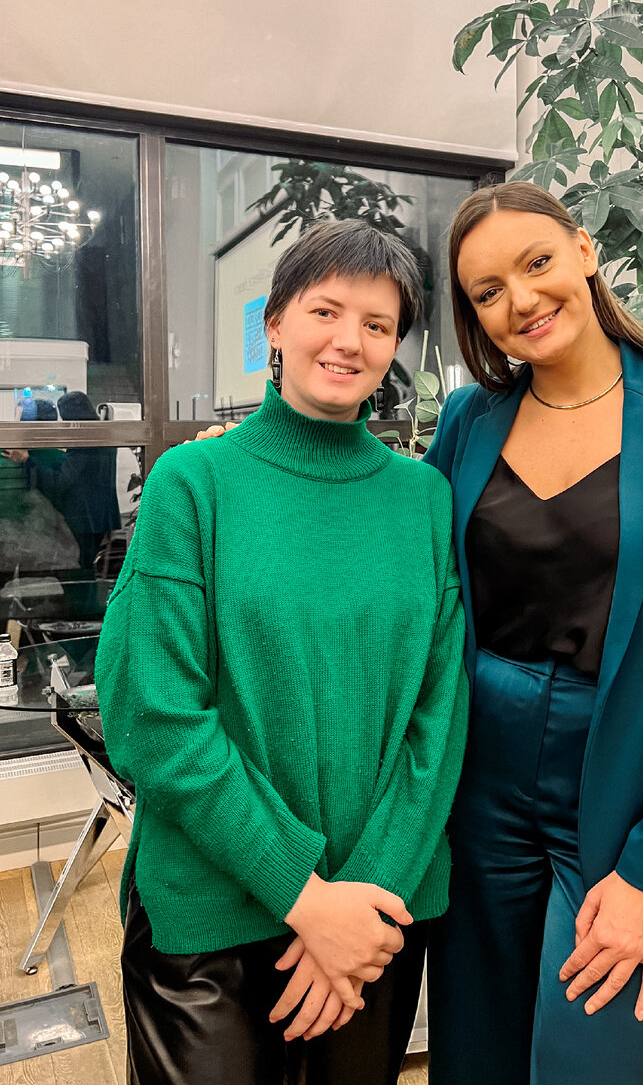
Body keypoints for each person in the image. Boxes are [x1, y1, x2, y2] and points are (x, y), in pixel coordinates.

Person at [94, 219, 469, 1085]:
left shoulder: (423, 498)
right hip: (212, 912)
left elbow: (439, 719)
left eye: (377, 324)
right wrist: (304, 897)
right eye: (324, 311)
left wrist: (359, 903)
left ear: (397, 346)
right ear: (274, 322)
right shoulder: (194, 484)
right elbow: (155, 717)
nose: (349, 341)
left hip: (376, 909)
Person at [421, 182, 643, 1085]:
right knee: (476, 1062)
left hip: (629, 784)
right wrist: (241, 472)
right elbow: (402, 562)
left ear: (584, 250)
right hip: (480, 781)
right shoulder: (467, 420)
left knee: (596, 1064)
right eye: (488, 291)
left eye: (536, 262)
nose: (521, 300)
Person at [3, 391, 120, 573]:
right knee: (88, 567)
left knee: (79, 570)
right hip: (103, 515)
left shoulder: (83, 445)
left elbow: (61, 482)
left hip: (85, 518)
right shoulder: (103, 437)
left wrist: (27, 460)